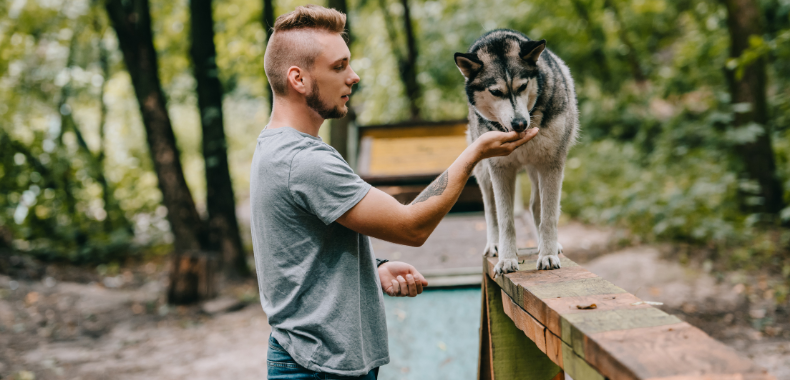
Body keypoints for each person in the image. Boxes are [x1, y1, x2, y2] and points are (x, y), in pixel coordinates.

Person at [250, 5, 539, 379]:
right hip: (318, 369)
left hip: (316, 360)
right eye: (338, 67)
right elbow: (411, 227)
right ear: (298, 79)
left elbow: (295, 254)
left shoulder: (275, 147)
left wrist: (375, 269)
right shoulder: (303, 161)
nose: (353, 77)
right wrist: (475, 152)